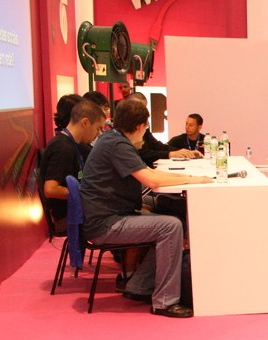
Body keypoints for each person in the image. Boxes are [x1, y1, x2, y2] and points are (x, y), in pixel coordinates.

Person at [78, 97, 212, 318]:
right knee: (170, 226)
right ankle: (164, 302)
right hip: (106, 224)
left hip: (109, 216)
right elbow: (153, 181)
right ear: (141, 126)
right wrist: (195, 180)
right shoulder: (118, 145)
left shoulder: (113, 139)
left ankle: (139, 286)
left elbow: (152, 175)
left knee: (165, 217)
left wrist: (188, 177)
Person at [40, 99, 106, 236]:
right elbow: (50, 189)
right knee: (123, 217)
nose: (99, 134)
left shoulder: (71, 144)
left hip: (77, 211)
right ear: (85, 122)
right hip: (67, 218)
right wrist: (85, 195)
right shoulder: (62, 148)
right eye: (98, 128)